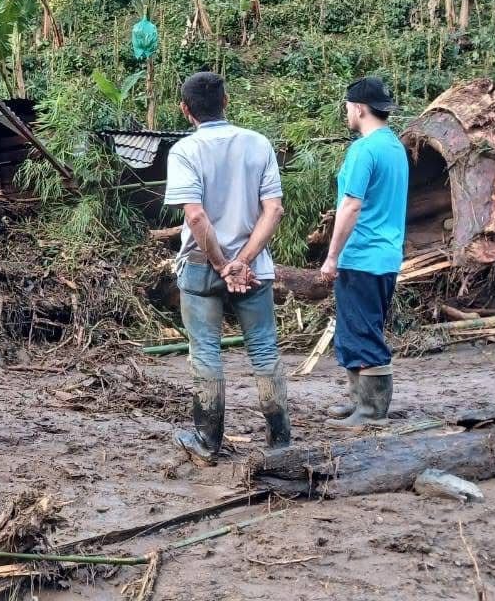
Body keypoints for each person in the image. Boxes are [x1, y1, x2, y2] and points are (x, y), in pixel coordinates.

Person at [164, 72, 289, 466]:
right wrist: (243, 262)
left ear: (186, 110)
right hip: (254, 269)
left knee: (205, 350)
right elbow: (274, 210)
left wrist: (221, 264)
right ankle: (280, 438)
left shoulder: (185, 151)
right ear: (227, 100)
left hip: (203, 268)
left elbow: (197, 218)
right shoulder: (258, 143)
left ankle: (207, 440)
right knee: (264, 348)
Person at [320, 77, 407, 429]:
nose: (346, 113)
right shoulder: (394, 146)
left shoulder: (363, 150)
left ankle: (371, 412)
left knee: (362, 330)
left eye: (347, 107)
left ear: (358, 108)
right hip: (385, 255)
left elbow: (351, 205)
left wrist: (332, 256)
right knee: (356, 328)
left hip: (363, 254)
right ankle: (359, 400)